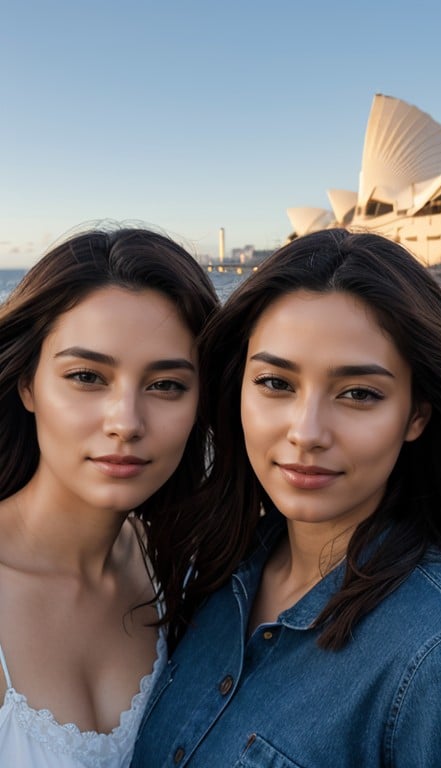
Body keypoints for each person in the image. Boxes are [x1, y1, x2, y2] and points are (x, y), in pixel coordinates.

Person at [132, 228, 441, 767]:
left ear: (416, 415)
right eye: (276, 384)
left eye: (359, 394)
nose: (307, 432)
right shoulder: (218, 574)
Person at [0, 224, 218, 767]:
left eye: (166, 384)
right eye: (86, 376)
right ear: (28, 384)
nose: (126, 422)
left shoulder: (187, 567)